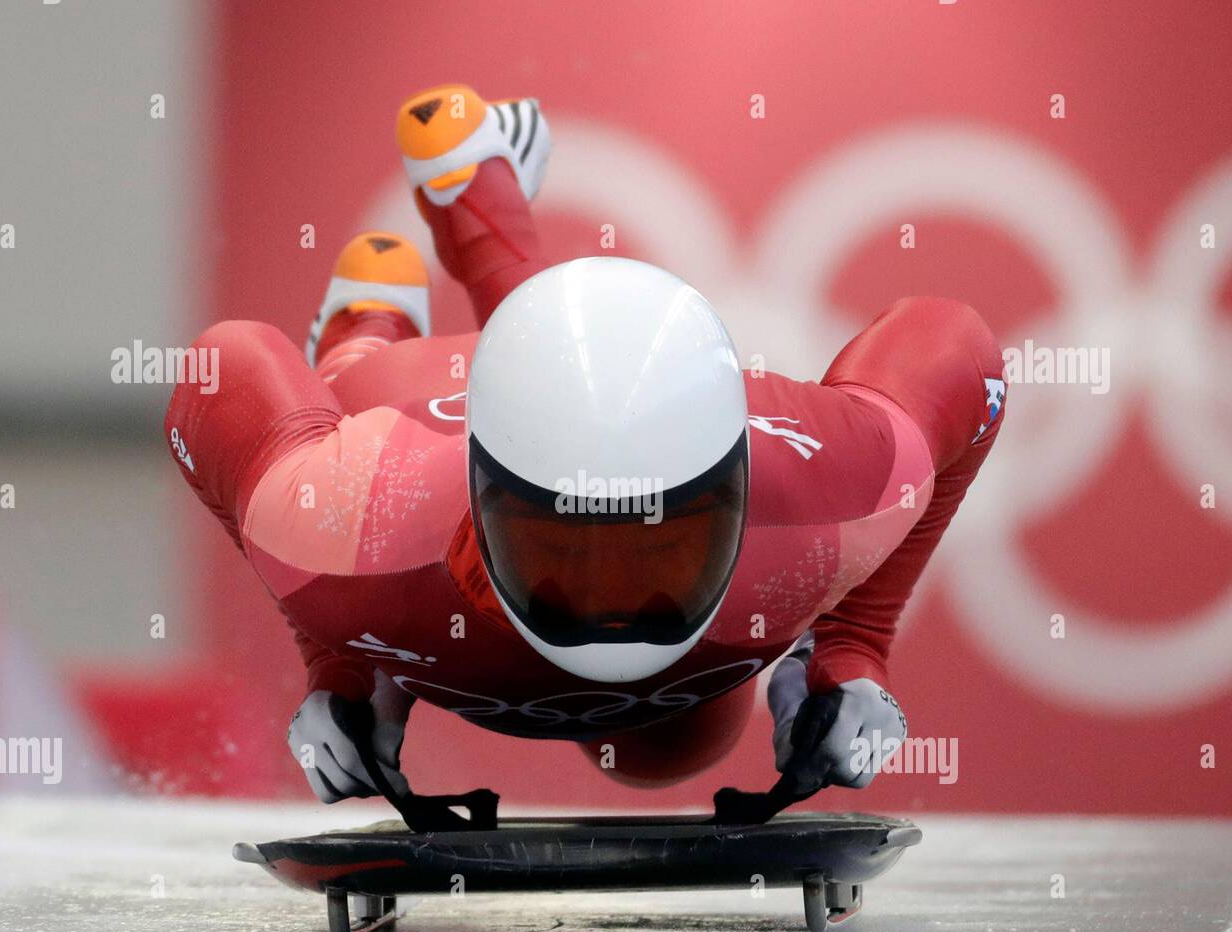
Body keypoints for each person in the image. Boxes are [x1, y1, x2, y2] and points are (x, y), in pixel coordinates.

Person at [165, 83, 1006, 803]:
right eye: (562, 551)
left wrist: (852, 646)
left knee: (670, 745)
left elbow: (215, 370)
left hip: (440, 552)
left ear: (738, 490)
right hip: (419, 412)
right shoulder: (364, 512)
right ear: (481, 499)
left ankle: (465, 217)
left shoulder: (830, 490)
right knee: (355, 385)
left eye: (662, 548)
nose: (613, 608)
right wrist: (339, 658)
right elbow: (218, 373)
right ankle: (372, 321)